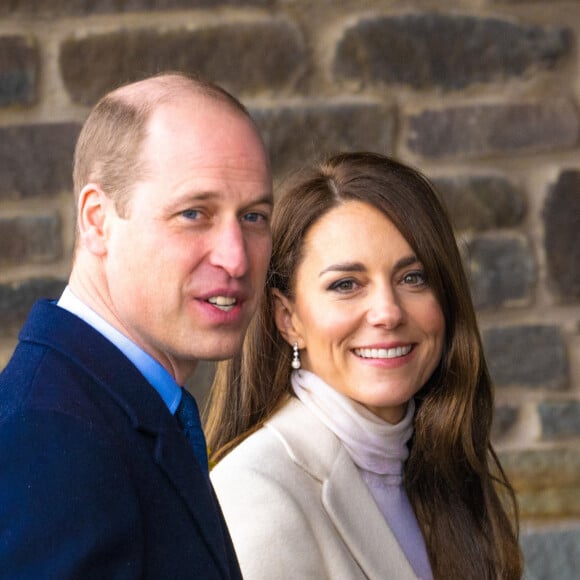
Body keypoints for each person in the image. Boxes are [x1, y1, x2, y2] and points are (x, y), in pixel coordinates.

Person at [0, 72, 273, 579]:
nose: (236, 259)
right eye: (195, 213)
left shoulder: (113, 407)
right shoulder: (52, 436)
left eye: (254, 216)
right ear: (98, 220)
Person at [208, 152, 523, 580]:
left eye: (413, 277)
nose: (387, 312)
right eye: (346, 285)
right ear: (288, 319)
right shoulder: (256, 494)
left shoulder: (439, 468)